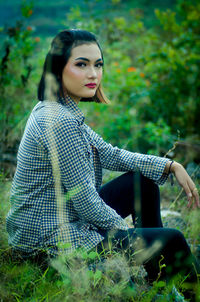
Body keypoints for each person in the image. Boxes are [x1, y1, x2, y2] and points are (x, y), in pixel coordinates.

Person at [6, 29, 200, 298]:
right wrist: (134, 237)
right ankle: (176, 290)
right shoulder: (59, 121)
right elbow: (86, 203)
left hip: (63, 219)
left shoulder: (59, 109)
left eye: (98, 65)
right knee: (173, 239)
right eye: (81, 64)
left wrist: (170, 166)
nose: (93, 74)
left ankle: (159, 281)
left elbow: (111, 154)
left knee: (141, 183)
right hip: (48, 242)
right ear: (58, 68)